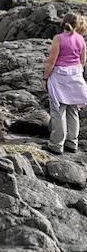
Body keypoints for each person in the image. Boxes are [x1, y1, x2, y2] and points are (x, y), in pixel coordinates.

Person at [43, 12, 87, 154]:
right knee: (73, 110)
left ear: (63, 22)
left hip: (60, 77)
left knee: (58, 109)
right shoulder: (81, 39)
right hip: (76, 77)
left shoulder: (58, 38)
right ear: (78, 24)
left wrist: (45, 78)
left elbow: (51, 61)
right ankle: (72, 143)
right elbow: (82, 61)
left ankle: (56, 145)